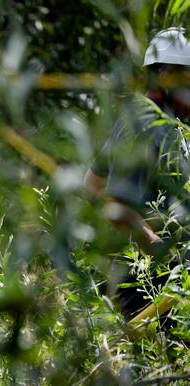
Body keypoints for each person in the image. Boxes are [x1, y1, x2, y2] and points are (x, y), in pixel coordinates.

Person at [85, 27, 190, 323]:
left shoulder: (145, 118)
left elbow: (91, 184)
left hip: (155, 284)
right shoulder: (149, 127)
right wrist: (167, 256)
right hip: (153, 289)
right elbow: (117, 208)